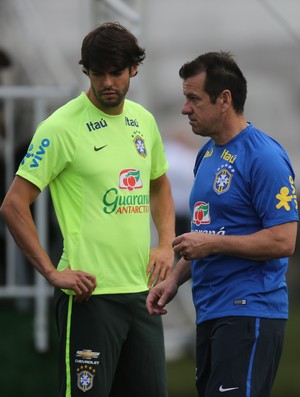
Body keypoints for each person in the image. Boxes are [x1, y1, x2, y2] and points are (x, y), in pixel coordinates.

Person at [0, 22, 175, 397]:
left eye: (116, 72)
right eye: (98, 73)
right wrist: (50, 271)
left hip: (142, 296)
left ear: (134, 69)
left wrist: (165, 243)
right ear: (87, 72)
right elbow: (14, 205)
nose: (107, 82)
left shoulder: (143, 121)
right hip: (90, 299)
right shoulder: (60, 127)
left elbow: (159, 184)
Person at [146, 51, 298, 397]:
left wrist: (211, 245)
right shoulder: (207, 154)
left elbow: (283, 241)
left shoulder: (264, 157)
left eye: (193, 98)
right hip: (212, 312)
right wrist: (173, 281)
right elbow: (210, 236)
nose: (185, 108)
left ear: (224, 99)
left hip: (250, 311)